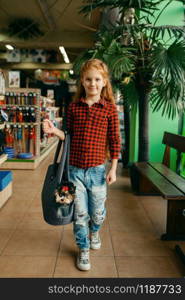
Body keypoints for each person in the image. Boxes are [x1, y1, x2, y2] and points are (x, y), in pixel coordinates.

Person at [43, 59, 121, 271]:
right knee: (80, 215)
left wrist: (113, 168)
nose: (92, 83)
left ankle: (95, 231)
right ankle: (83, 249)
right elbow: (67, 135)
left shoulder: (110, 109)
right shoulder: (74, 108)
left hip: (97, 171)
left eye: (97, 79)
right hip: (74, 171)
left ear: (104, 82)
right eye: (88, 79)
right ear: (82, 82)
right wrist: (53, 131)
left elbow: (114, 140)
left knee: (97, 213)